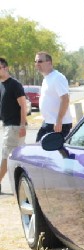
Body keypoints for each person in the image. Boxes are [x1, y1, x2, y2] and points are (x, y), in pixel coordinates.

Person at [0, 57, 28, 194]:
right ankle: (20, 186)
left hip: (15, 127)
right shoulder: (1, 84)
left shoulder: (14, 85)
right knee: (15, 157)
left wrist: (22, 125)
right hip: (6, 125)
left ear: (6, 68)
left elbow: (23, 105)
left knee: (6, 156)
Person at [34, 51, 73, 142]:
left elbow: (65, 99)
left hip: (59, 125)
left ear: (49, 63)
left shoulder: (57, 77)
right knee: (39, 149)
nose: (37, 64)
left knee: (56, 154)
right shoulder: (46, 78)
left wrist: (59, 120)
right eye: (35, 62)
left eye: (40, 61)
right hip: (48, 122)